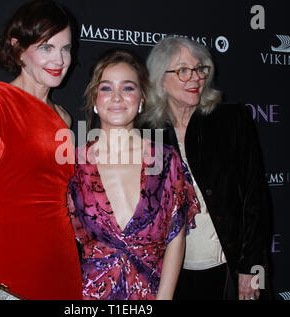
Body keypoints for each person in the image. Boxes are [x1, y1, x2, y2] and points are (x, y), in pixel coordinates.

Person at [0, 0, 81, 300]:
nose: (60, 60)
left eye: (66, 48)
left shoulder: (64, 118)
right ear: (18, 48)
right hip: (7, 276)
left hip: (63, 269)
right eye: (47, 47)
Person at [142, 36, 271, 300]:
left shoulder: (231, 120)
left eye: (200, 69)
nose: (195, 78)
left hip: (228, 268)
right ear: (159, 79)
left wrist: (251, 268)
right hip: (172, 276)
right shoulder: (147, 134)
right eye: (182, 71)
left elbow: (255, 198)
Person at [67, 48, 199, 300]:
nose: (116, 97)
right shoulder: (74, 164)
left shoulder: (166, 160)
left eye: (128, 88)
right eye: (106, 88)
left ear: (141, 99)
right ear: (94, 99)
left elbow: (176, 236)